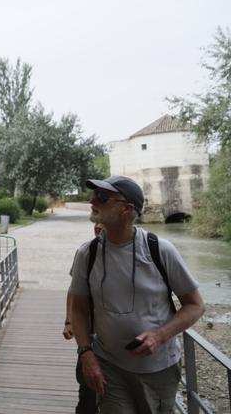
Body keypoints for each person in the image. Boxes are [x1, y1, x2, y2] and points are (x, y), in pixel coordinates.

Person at [68, 175, 204, 413]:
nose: (92, 201)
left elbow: (195, 305)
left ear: (126, 209)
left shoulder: (160, 250)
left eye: (102, 197)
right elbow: (78, 308)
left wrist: (159, 336)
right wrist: (86, 354)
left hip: (158, 370)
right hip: (109, 365)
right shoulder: (86, 254)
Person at [64, 223, 101, 414]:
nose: (98, 225)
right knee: (87, 391)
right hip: (90, 334)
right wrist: (69, 320)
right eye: (96, 222)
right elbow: (74, 291)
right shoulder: (86, 252)